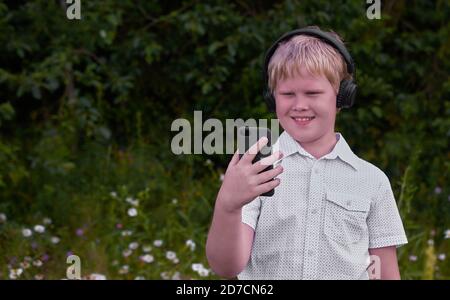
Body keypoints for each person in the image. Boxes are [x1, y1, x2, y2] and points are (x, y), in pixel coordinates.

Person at [205, 26, 408, 280]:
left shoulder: (372, 181)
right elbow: (226, 268)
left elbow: (385, 273)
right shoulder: (257, 171)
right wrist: (228, 206)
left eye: (312, 93)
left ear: (342, 96)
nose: (300, 105)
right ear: (272, 98)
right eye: (288, 94)